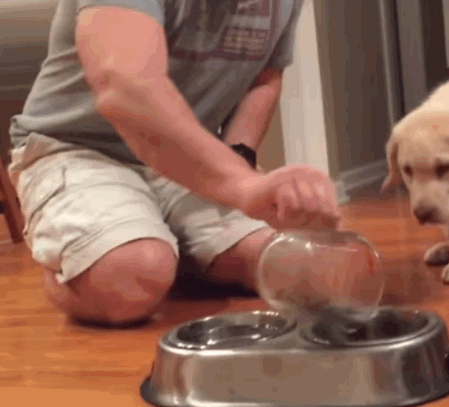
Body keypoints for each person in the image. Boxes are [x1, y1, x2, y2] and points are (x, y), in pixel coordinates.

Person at [7, 0, 342, 327]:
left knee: (298, 265)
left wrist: (238, 160)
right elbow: (124, 85)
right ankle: (75, 266)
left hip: (186, 157)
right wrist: (243, 185)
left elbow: (264, 80)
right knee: (130, 276)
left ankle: (162, 244)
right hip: (76, 147)